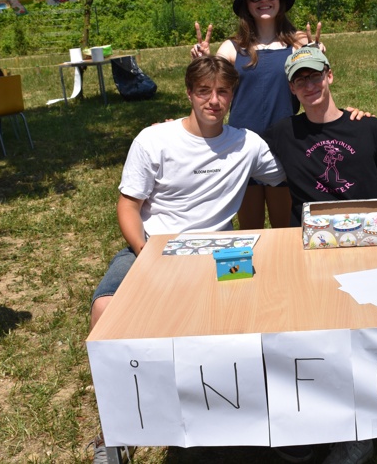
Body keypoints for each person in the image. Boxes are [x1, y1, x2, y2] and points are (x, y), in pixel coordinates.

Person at [87, 55, 285, 461]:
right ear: (189, 93)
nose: (214, 100)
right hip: (153, 246)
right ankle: (117, 428)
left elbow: (283, 176)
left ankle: (246, 409)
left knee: (262, 311)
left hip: (222, 251)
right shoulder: (153, 140)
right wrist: (145, 252)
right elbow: (128, 206)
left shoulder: (248, 144)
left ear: (233, 95)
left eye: (223, 92)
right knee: (106, 309)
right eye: (204, 91)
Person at [263, 47, 377, 464]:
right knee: (330, 338)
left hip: (374, 241)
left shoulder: (369, 126)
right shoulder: (282, 133)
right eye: (300, 80)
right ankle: (355, 432)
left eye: (314, 76)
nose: (309, 85)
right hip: (316, 251)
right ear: (292, 88)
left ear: (329, 76)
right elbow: (228, 141)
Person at [190, 0, 322, 230]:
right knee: (250, 231)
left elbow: (318, 85)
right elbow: (211, 87)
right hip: (241, 149)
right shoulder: (231, 48)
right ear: (246, 4)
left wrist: (316, 55)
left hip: (285, 146)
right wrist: (203, 61)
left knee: (286, 231)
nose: (264, 0)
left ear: (280, 0)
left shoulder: (298, 43)